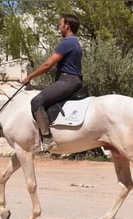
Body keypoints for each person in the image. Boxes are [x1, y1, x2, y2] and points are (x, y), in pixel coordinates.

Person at [22, 14, 83, 151]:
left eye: (60, 24)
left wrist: (29, 77)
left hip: (67, 80)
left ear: (67, 26)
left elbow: (47, 65)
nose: (58, 26)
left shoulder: (67, 42)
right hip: (72, 81)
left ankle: (47, 138)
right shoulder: (76, 42)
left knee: (36, 102)